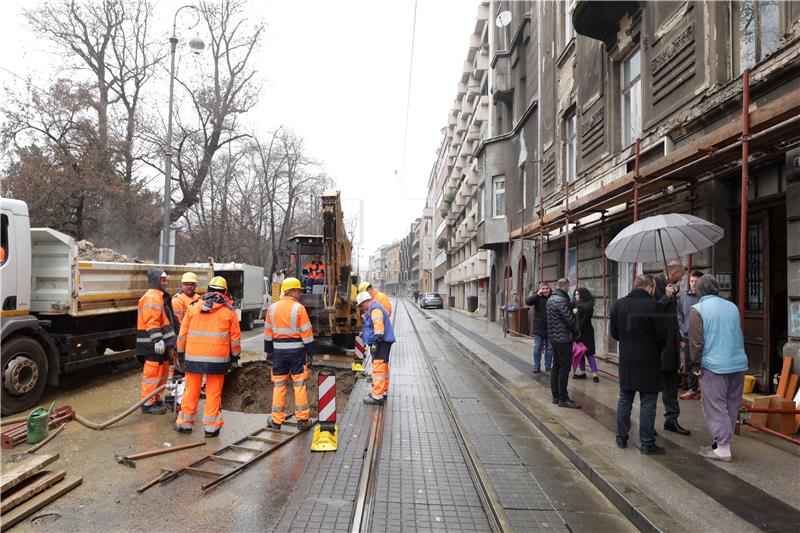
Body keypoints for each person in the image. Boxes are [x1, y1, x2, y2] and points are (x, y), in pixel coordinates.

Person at [688, 275, 749, 462]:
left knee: (715, 406)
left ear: (699, 291)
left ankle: (723, 448)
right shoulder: (732, 307)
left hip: (714, 365)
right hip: (737, 363)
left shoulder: (697, 309)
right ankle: (723, 443)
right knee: (731, 404)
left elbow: (696, 342)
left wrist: (695, 364)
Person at [174, 276, 241, 437]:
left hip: (193, 358)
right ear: (225, 292)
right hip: (218, 360)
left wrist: (181, 354)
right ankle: (211, 428)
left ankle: (184, 424)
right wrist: (234, 358)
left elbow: (182, 334)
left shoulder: (193, 307)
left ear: (209, 290)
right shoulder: (229, 311)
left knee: (191, 390)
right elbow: (235, 339)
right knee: (213, 392)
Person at [611, 274, 668, 454]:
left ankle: (621, 437)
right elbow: (662, 336)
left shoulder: (618, 304)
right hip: (649, 359)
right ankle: (646, 443)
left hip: (626, 359)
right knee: (648, 401)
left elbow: (614, 333)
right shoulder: (654, 306)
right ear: (650, 287)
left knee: (625, 398)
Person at [264, 277, 316, 430]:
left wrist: (269, 352)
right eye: (298, 290)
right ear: (291, 291)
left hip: (279, 354)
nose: (300, 293)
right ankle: (303, 420)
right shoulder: (299, 309)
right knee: (299, 385)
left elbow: (268, 333)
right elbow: (307, 332)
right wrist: (310, 353)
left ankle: (276, 420)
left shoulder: (272, 308)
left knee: (279, 385)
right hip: (297, 353)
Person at [654, 260, 691, 436]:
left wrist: (680, 339)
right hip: (659, 345)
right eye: (681, 274)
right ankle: (648, 423)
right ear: (674, 272)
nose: (682, 277)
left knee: (671, 383)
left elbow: (673, 317)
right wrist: (666, 296)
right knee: (654, 385)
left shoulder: (671, 287)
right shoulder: (655, 285)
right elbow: (652, 312)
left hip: (672, 343)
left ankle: (671, 419)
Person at [136, 269, 177, 414]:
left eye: (166, 280)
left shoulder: (159, 297)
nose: (166, 283)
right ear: (155, 280)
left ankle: (155, 398)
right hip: (151, 345)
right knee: (152, 375)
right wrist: (158, 340)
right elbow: (151, 321)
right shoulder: (152, 297)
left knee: (162, 372)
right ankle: (147, 403)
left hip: (158, 344)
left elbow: (163, 321)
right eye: (163, 280)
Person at [546, 278, 581, 409]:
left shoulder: (550, 299)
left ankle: (555, 396)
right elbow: (569, 321)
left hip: (553, 338)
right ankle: (563, 398)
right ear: (566, 288)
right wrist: (576, 330)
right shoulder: (561, 300)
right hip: (563, 339)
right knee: (564, 368)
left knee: (556, 366)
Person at [357, 291, 395, 405]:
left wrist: (375, 344)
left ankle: (377, 396)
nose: (361, 308)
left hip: (381, 342)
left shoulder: (375, 310)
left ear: (365, 302)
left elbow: (379, 328)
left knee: (378, 369)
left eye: (361, 305)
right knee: (383, 368)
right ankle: (382, 392)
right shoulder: (375, 308)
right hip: (383, 342)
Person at [678, 270, 704, 400]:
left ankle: (704, 389)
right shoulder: (683, 298)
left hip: (703, 336)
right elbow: (679, 316)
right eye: (691, 281)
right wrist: (683, 328)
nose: (693, 284)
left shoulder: (704, 298)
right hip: (687, 337)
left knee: (703, 362)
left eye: (696, 281)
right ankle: (693, 388)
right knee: (689, 363)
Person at [572, 287, 599, 382]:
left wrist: (577, 311)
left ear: (583, 295)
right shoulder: (575, 304)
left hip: (586, 332)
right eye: (575, 294)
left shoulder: (588, 305)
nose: (576, 296)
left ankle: (595, 374)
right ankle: (582, 372)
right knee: (580, 353)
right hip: (578, 332)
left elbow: (585, 320)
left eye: (577, 294)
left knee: (589, 353)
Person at [525, 282, 554, 374]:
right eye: (543, 288)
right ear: (540, 289)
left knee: (550, 348)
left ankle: (548, 366)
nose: (545, 290)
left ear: (549, 289)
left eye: (547, 288)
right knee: (537, 347)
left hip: (550, 327)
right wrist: (537, 294)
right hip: (539, 327)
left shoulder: (553, 297)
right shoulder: (536, 297)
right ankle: (536, 366)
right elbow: (528, 302)